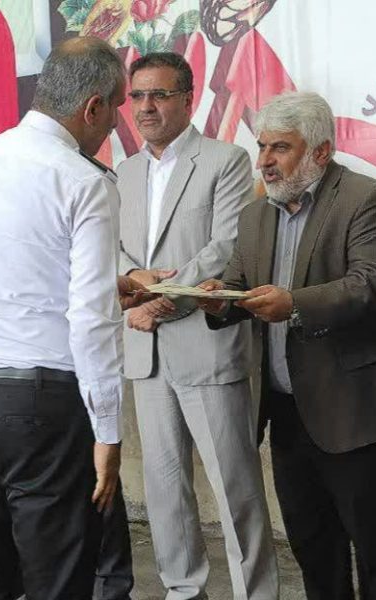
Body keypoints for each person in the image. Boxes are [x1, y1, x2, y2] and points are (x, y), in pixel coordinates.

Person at [198, 92, 376, 600]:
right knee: (314, 548)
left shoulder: (369, 199)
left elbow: (371, 284)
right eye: (262, 147)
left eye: (280, 148)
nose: (265, 161)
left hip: (354, 412)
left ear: (320, 151)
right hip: (287, 413)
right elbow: (237, 284)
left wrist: (294, 304)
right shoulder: (256, 215)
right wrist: (217, 300)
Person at [0, 37, 128, 600]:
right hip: (38, 404)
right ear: (92, 107)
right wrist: (109, 431)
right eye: (116, 108)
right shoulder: (85, 180)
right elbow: (91, 318)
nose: (115, 123)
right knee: (56, 573)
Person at [119, 52, 278, 600]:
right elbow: (112, 249)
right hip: (145, 351)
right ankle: (184, 590)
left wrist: (160, 300)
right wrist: (134, 283)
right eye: (138, 96)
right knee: (165, 489)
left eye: (159, 94)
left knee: (234, 488)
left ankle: (256, 594)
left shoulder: (224, 160)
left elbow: (226, 247)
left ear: (188, 99)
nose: (146, 106)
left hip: (204, 346)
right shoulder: (124, 172)